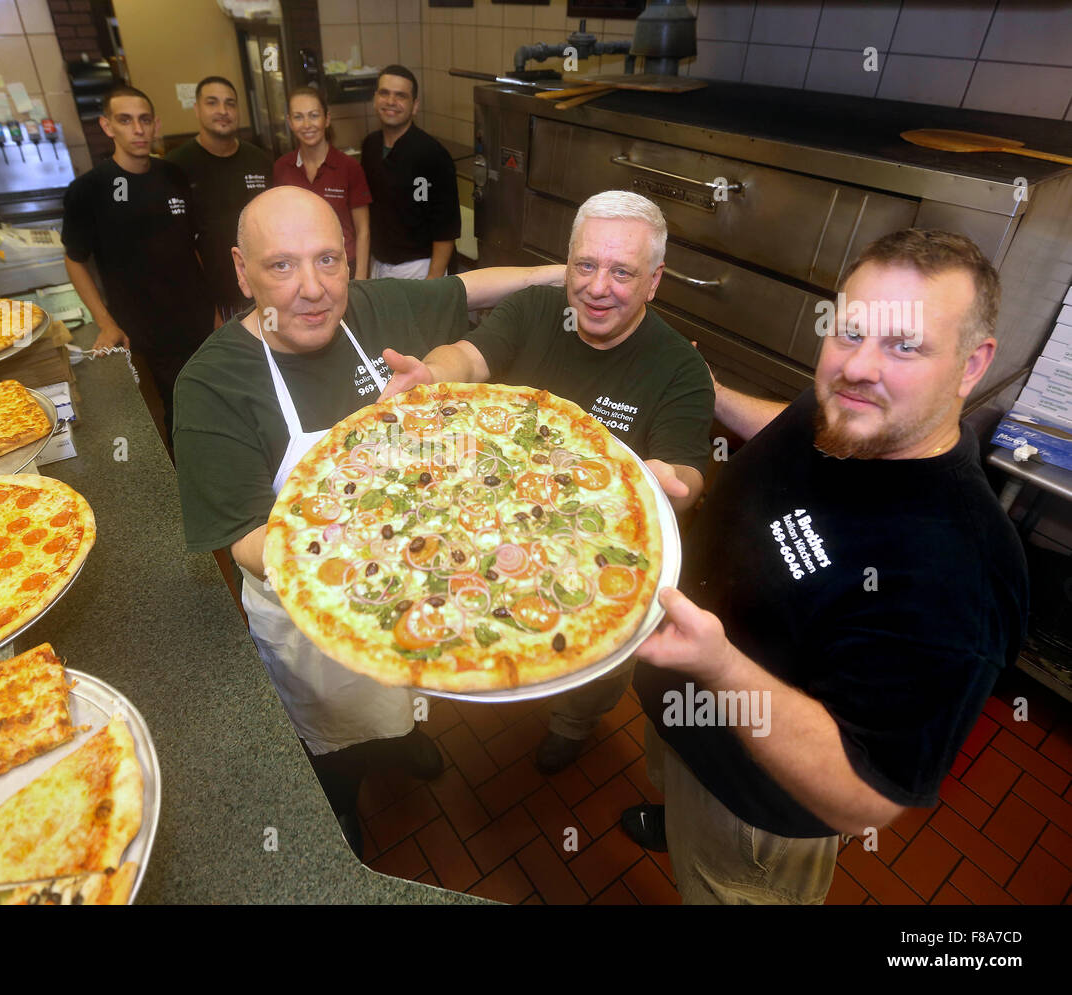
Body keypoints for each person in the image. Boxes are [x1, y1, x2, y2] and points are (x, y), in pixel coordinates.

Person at [622, 228, 1027, 904]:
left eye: (905, 346)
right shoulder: (855, 409)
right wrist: (713, 393)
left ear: (971, 364)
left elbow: (865, 797)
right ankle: (676, 815)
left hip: (752, 808)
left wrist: (717, 665)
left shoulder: (958, 579)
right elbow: (797, 417)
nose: (858, 367)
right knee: (678, 787)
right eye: (849, 332)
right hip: (684, 713)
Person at [173, 185, 563, 857]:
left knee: (402, 701)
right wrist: (373, 568)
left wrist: (560, 274)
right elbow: (246, 541)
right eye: (282, 266)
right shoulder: (213, 384)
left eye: (329, 260)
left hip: (412, 586)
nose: (313, 289)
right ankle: (342, 802)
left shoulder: (373, 311)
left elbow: (468, 290)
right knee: (332, 731)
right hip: (312, 612)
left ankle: (404, 738)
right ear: (241, 270)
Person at [380, 190, 713, 773]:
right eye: (584, 265)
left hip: (600, 560)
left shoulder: (679, 367)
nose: (597, 287)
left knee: (596, 671)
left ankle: (573, 724)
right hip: (494, 528)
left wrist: (673, 480)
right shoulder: (537, 309)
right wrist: (432, 373)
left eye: (622, 272)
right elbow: (471, 356)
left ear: (655, 281)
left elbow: (687, 471)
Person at [62, 85, 214, 449]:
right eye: (125, 120)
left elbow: (192, 248)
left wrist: (213, 314)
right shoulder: (89, 190)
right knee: (176, 416)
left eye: (145, 120)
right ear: (107, 126)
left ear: (156, 123)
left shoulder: (173, 175)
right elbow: (74, 259)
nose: (138, 129)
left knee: (212, 402)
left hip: (196, 321)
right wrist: (106, 322)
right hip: (143, 331)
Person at [166, 76, 271, 321]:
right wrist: (206, 307)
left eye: (230, 104)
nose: (223, 111)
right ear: (197, 109)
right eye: (212, 103)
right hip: (209, 301)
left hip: (262, 294)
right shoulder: (175, 167)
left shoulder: (259, 160)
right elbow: (177, 246)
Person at [361, 65, 460, 280]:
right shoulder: (370, 146)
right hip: (379, 263)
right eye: (384, 93)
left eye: (401, 96)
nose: (390, 101)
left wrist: (432, 285)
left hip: (419, 268)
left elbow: (446, 228)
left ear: (415, 106)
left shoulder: (432, 154)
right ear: (375, 99)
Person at [273, 86, 371, 280]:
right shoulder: (282, 168)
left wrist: (360, 278)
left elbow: (363, 230)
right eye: (298, 117)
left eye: (314, 115)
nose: (307, 124)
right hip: (299, 271)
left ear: (327, 119)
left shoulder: (349, 167)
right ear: (290, 122)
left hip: (342, 268)